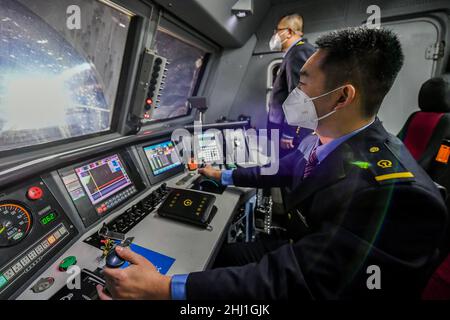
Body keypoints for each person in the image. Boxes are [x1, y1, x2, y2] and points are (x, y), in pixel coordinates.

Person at [96, 27, 448, 300]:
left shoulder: (393, 193)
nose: (293, 94)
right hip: (299, 247)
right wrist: (224, 173)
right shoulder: (327, 135)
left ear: (342, 97)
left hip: (318, 281)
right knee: (213, 258)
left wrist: (165, 290)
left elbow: (295, 281)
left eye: (303, 83)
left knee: (190, 282)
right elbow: (285, 168)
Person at [267, 14, 316, 158]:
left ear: (288, 32)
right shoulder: (293, 53)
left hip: (292, 134)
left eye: (277, 30)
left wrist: (289, 132)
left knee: (288, 174)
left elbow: (301, 94)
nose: (275, 35)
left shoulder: (299, 52)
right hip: (287, 129)